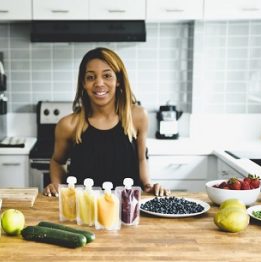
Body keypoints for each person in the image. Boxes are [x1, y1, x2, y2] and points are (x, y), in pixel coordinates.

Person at [44, 47, 169, 197]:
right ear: (83, 83)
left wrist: (148, 185)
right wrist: (57, 185)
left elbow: (141, 159)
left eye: (107, 76)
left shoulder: (137, 116)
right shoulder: (68, 125)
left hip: (127, 210)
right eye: (91, 77)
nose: (99, 83)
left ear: (118, 81)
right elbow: (57, 162)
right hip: (83, 210)